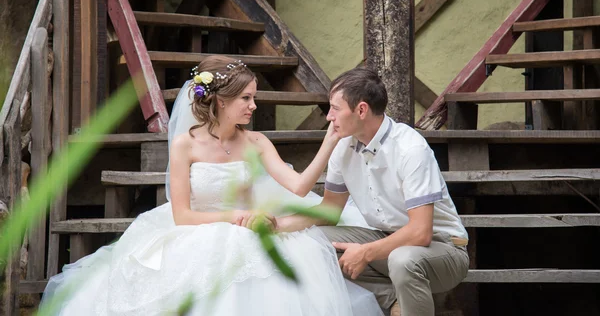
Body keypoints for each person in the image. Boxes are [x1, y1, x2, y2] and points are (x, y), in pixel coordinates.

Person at [41, 55, 384, 316]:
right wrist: (235, 216)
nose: (253, 105)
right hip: (199, 228)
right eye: (246, 99)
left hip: (249, 226)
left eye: (254, 98)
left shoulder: (257, 142)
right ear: (221, 101)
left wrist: (330, 140)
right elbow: (183, 216)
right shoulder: (184, 146)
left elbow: (298, 187)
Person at [277, 67, 470, 316]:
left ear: (361, 110)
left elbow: (421, 233)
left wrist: (366, 252)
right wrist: (279, 225)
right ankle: (393, 301)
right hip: (386, 241)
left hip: (443, 250)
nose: (329, 117)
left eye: (335, 108)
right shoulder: (343, 147)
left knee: (403, 260)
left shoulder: (410, 148)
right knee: (311, 242)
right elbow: (329, 211)